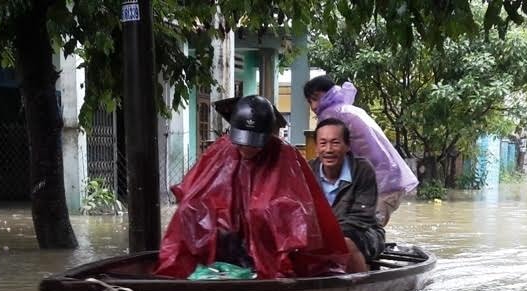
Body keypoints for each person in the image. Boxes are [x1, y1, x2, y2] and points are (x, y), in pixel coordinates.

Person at [156, 95, 350, 279]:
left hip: (265, 244)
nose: (246, 150)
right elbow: (195, 192)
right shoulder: (222, 150)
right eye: (241, 145)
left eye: (254, 146)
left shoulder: (284, 155)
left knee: (264, 213)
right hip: (228, 241)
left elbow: (296, 208)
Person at [304, 75, 418, 226]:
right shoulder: (349, 109)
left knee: (361, 230)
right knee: (364, 228)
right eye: (310, 101)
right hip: (391, 180)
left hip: (379, 184)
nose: (313, 106)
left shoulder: (330, 115)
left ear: (329, 93)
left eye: (316, 98)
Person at [309, 118, 385, 273]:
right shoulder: (308, 171)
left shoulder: (363, 170)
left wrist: (326, 236)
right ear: (316, 147)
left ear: (347, 146)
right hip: (321, 236)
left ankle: (359, 290)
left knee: (345, 243)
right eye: (323, 143)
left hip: (363, 231)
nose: (328, 149)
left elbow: (360, 218)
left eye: (335, 143)